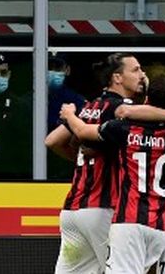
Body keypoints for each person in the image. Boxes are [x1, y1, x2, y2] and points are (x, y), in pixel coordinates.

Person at [59, 75, 165, 274]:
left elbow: (82, 131)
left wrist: (69, 114)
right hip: (160, 228)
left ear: (146, 99)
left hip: (129, 222)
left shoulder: (126, 129)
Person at [45, 52, 148, 274]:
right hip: (103, 209)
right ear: (117, 77)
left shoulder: (89, 106)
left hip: (73, 210)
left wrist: (81, 160)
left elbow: (52, 141)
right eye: (136, 70)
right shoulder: (122, 110)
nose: (142, 75)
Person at [46, 54, 85, 180]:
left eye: (57, 67)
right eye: (49, 67)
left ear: (67, 70)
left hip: (64, 166)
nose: (52, 72)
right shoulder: (28, 100)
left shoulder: (77, 101)